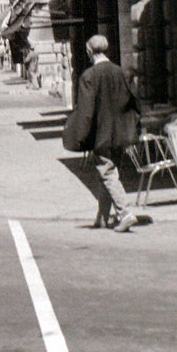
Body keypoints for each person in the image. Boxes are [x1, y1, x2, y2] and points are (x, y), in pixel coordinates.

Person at [62, 35, 143, 232]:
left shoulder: (89, 76)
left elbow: (86, 112)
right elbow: (133, 103)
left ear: (90, 51)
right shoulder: (121, 72)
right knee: (107, 172)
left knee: (107, 172)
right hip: (121, 133)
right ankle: (103, 216)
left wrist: (81, 137)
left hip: (101, 134)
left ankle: (125, 213)